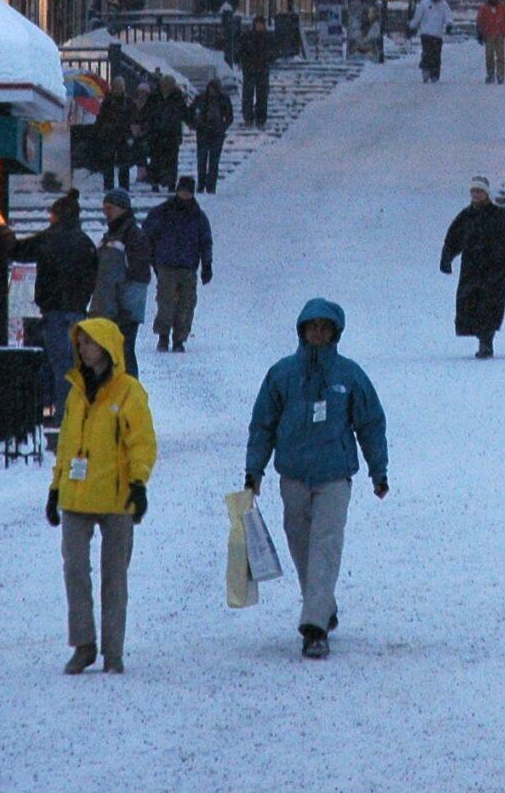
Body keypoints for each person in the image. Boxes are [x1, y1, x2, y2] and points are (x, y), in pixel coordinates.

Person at [243, 298, 388, 661]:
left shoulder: (350, 376)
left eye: (325, 327)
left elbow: (370, 423)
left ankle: (314, 628)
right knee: (301, 544)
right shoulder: (282, 375)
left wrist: (378, 470)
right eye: (313, 327)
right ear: (302, 330)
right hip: (292, 475)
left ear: (335, 332)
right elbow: (262, 424)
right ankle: (323, 605)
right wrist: (254, 469)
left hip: (334, 476)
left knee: (325, 543)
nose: (319, 333)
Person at [43, 316, 154, 675]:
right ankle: (84, 643)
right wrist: (56, 486)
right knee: (74, 569)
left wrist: (138, 483)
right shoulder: (76, 392)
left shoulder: (129, 392)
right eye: (82, 342)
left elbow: (141, 442)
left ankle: (113, 651)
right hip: (76, 497)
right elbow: (67, 443)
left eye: (90, 342)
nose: (83, 348)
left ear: (106, 348)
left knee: (114, 576)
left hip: (116, 497)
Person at [20, 190, 98, 415]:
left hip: (53, 309)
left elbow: (19, 250)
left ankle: (62, 413)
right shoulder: (85, 242)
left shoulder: (49, 238)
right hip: (76, 310)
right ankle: (72, 410)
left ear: (58, 215)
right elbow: (93, 275)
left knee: (58, 364)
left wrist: (3, 233)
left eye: (51, 214)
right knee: (73, 364)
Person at [438, 178, 505, 358]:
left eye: (479, 191)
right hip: (472, 267)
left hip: (495, 268)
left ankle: (486, 341)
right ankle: (482, 338)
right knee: (471, 303)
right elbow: (454, 238)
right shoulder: (466, 216)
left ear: (486, 193)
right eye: (474, 192)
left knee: (490, 305)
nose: (476, 195)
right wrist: (447, 258)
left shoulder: (499, 215)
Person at [144, 176, 213, 354]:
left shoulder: (198, 216)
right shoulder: (163, 212)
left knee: (186, 304)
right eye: (182, 190)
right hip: (166, 264)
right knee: (166, 302)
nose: (184, 194)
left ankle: (179, 338)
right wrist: (151, 259)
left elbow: (205, 242)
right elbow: (148, 235)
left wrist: (207, 264)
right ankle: (163, 336)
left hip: (188, 266)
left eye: (188, 191)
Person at [89, 190, 148, 378]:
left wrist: (126, 308)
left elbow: (139, 276)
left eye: (110, 208)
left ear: (122, 209)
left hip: (122, 312)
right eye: (104, 208)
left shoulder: (133, 236)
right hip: (109, 308)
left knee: (124, 355)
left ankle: (131, 399)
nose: (106, 213)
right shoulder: (110, 236)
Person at [187, 76, 235, 194]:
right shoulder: (201, 98)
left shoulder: (223, 99)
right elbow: (190, 112)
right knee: (202, 161)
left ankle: (210, 186)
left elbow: (229, 117)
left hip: (216, 133)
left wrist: (222, 127)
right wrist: (193, 124)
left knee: (213, 162)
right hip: (203, 132)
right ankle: (201, 185)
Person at [90, 84, 138, 193]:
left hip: (123, 135)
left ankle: (123, 186)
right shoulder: (108, 102)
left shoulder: (128, 102)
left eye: (119, 88)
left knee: (123, 163)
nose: (118, 90)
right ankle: (109, 186)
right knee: (109, 162)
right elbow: (101, 117)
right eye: (116, 88)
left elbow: (134, 118)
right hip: (110, 134)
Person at [140, 77, 186, 189]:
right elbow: (146, 113)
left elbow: (184, 113)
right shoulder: (154, 97)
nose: (165, 87)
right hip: (156, 135)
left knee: (172, 161)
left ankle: (171, 183)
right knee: (155, 160)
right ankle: (155, 183)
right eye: (164, 85)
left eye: (168, 85)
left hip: (172, 134)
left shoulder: (177, 97)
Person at [234, 14, 276, 128]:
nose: (259, 26)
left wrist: (267, 60)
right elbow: (241, 51)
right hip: (250, 69)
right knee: (248, 94)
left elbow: (273, 52)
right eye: (258, 24)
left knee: (262, 95)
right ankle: (248, 117)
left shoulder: (267, 38)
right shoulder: (248, 37)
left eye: (261, 24)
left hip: (261, 69)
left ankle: (260, 119)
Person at [475, 0, 505, 85]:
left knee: (500, 55)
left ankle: (500, 75)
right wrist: (479, 33)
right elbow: (479, 21)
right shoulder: (484, 8)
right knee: (489, 56)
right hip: (488, 34)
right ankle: (490, 74)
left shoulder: (503, 6)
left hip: (500, 33)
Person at [412, 0, 450, 83]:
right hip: (426, 33)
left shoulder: (443, 5)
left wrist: (449, 24)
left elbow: (448, 16)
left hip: (437, 34)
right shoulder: (424, 4)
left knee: (436, 55)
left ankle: (435, 74)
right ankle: (426, 70)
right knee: (426, 53)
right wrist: (412, 26)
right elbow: (418, 16)